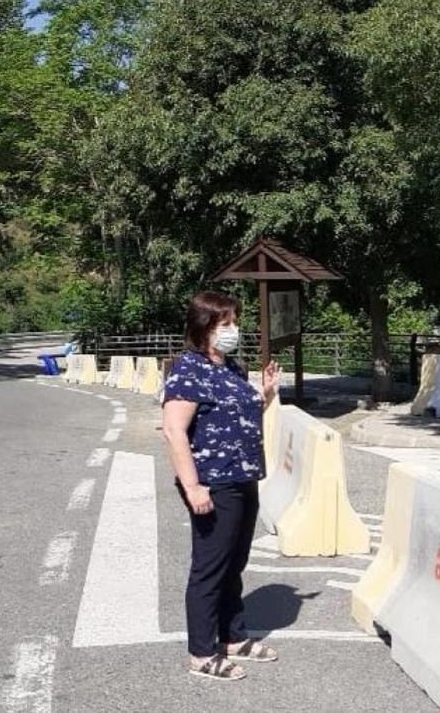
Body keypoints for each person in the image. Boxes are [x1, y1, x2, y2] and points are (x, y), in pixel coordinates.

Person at [162, 291, 281, 681]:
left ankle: (232, 637)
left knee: (235, 562)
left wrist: (263, 395)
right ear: (204, 327)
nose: (233, 330)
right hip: (214, 481)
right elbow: (174, 430)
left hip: (244, 476)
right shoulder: (187, 370)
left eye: (234, 322)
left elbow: (236, 419)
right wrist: (192, 486)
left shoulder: (231, 367)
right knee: (210, 567)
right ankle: (201, 653)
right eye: (225, 323)